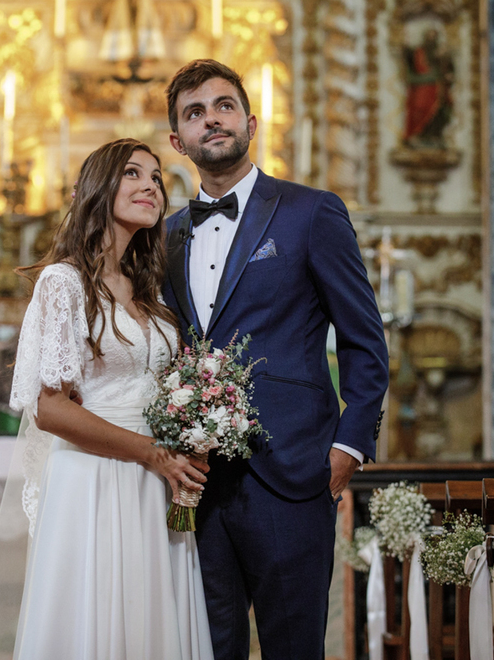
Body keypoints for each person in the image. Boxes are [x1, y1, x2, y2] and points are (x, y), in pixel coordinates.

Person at [162, 59, 389, 659]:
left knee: (294, 646)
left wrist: (350, 443)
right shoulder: (163, 237)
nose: (211, 120)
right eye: (194, 113)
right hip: (196, 480)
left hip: (291, 467)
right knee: (208, 647)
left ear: (251, 121)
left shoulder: (311, 212)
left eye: (223, 106)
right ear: (176, 140)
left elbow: (364, 337)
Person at [0, 138, 214, 660]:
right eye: (132, 174)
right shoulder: (64, 282)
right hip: (96, 479)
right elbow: (50, 408)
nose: (150, 186)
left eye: (155, 177)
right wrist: (151, 453)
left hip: (157, 484)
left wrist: (195, 430)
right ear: (99, 188)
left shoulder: (149, 288)